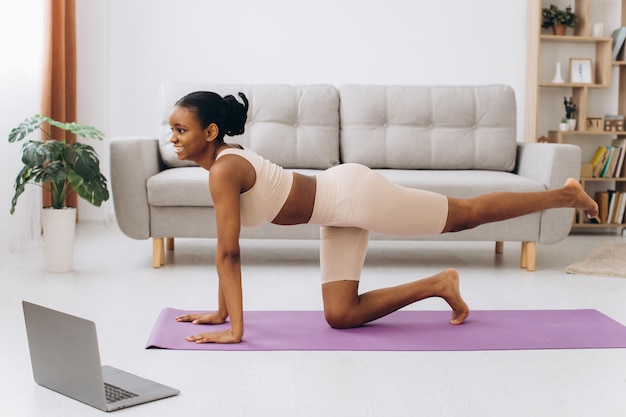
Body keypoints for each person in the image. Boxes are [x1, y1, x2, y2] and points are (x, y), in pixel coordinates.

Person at [170, 91, 599, 344]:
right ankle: (439, 284)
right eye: (171, 128)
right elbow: (225, 249)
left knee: (464, 216)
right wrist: (221, 314)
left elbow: (229, 254)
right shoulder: (222, 165)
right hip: (335, 211)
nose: (173, 138)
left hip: (354, 196)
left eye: (181, 130)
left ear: (210, 132)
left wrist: (235, 331)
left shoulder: (224, 169)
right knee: (341, 315)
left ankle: (563, 194)